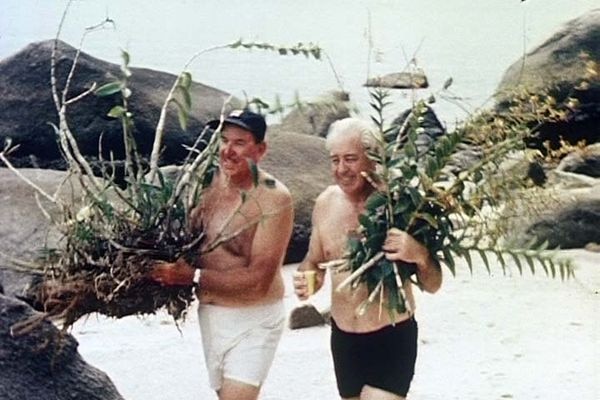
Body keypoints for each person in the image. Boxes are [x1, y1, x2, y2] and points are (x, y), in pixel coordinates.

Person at [293, 117, 442, 400]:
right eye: (334, 160)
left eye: (350, 159)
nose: (341, 169)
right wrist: (307, 280)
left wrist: (418, 253)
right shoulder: (325, 203)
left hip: (391, 335)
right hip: (344, 339)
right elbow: (314, 262)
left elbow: (434, 284)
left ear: (373, 159)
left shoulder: (399, 204)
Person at [151, 110, 294, 400]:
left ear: (261, 150)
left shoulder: (274, 199)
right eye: (224, 140)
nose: (227, 151)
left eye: (239, 142)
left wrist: (191, 277)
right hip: (211, 317)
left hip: (255, 318)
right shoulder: (206, 187)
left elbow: (259, 281)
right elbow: (187, 245)